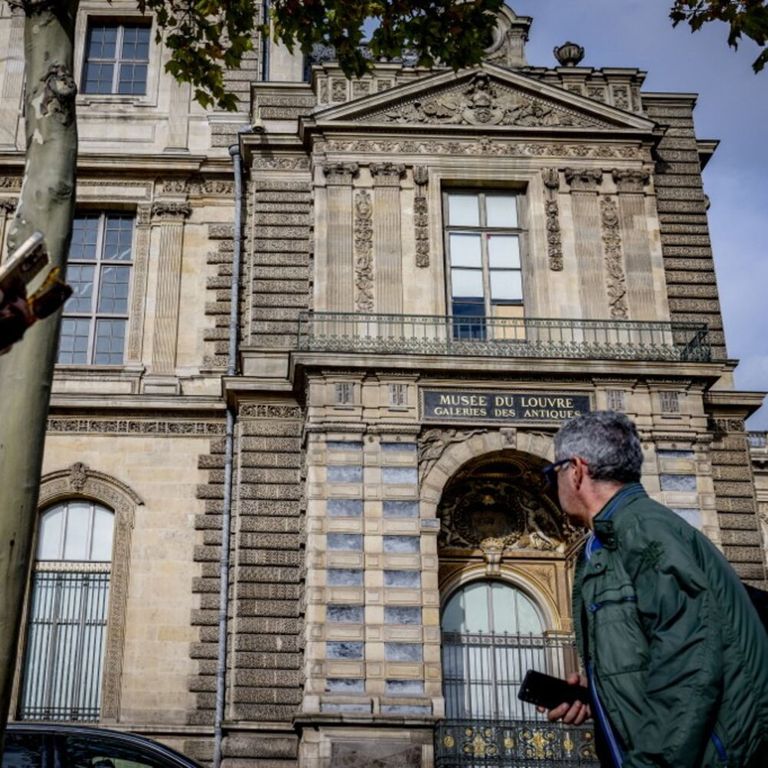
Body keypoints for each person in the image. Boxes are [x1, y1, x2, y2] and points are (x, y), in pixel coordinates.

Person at [542, 410, 768, 768]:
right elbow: (661, 643)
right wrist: (600, 690)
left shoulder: (645, 533)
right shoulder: (619, 535)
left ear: (576, 470)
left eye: (551, 474)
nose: (552, 486)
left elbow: (691, 663)